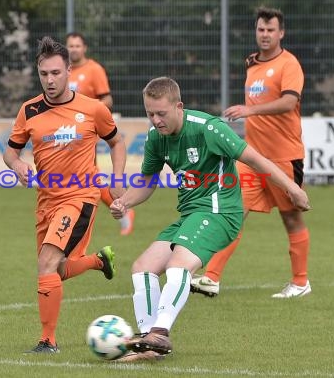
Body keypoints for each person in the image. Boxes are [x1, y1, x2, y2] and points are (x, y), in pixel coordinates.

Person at [109, 76, 310, 362]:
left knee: (179, 264)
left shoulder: (209, 128)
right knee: (143, 267)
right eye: (150, 113)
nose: (155, 120)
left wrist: (293, 189)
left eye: (161, 113)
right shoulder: (156, 138)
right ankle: (149, 343)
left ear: (179, 106)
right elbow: (147, 181)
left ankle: (160, 333)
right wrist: (124, 202)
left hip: (220, 214)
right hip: (191, 215)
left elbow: (257, 160)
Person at [3, 36, 127, 353]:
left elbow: (117, 141)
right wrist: (17, 165)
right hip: (46, 202)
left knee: (46, 264)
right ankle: (99, 261)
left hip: (80, 199)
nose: (50, 80)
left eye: (56, 73)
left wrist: (116, 179)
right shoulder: (29, 111)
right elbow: (11, 152)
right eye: (44, 73)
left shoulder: (92, 109)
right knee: (56, 270)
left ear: (68, 70)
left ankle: (48, 340)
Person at [190, 6, 311, 299]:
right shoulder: (252, 63)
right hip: (252, 158)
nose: (265, 34)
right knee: (233, 213)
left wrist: (250, 110)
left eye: (271, 30)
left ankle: (300, 282)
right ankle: (212, 277)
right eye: (261, 29)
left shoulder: (289, 64)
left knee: (291, 218)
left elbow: (287, 102)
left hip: (284, 156)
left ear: (281, 33)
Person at [66, 32, 135, 236]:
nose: (74, 49)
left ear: (84, 48)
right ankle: (122, 208)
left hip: (85, 133)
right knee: (88, 177)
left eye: (77, 45)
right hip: (67, 134)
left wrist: (86, 111)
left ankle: (121, 208)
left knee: (88, 176)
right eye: (70, 46)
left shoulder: (94, 70)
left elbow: (107, 100)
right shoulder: (63, 71)